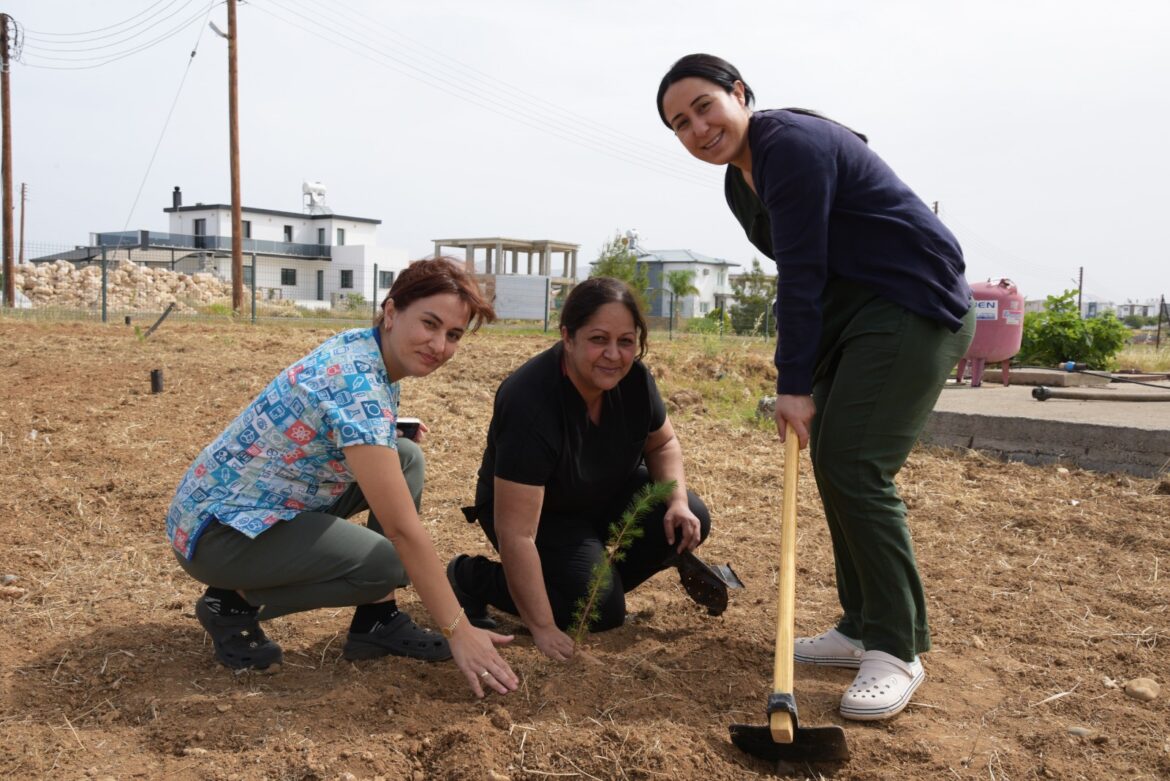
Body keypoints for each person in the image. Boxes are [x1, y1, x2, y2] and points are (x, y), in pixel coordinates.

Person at [658, 54, 976, 721]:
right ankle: (860, 625)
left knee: (855, 463)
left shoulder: (791, 148)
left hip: (910, 304)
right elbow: (812, 273)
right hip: (857, 315)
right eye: (679, 124)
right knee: (835, 461)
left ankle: (896, 648)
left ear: (740, 93)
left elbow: (800, 273)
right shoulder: (740, 183)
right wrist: (808, 375)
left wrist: (795, 383)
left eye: (705, 107)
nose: (697, 129)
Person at [166, 257, 519, 698]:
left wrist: (391, 429)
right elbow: (403, 532)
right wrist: (458, 629)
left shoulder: (367, 349)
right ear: (391, 313)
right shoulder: (359, 385)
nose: (439, 345)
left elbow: (338, 419)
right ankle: (233, 602)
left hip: (256, 503)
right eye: (429, 323)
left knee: (404, 455)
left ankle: (377, 619)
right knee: (390, 562)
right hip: (218, 535)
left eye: (453, 335)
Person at [447, 277, 736, 661]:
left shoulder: (634, 379)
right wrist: (544, 627)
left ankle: (589, 584)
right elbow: (517, 534)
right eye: (598, 339)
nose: (613, 355)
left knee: (687, 514)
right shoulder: (530, 402)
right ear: (568, 337)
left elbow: (662, 443)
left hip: (601, 492)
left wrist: (678, 500)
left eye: (626, 341)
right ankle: (472, 577)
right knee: (595, 613)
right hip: (543, 515)